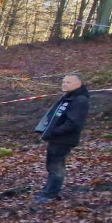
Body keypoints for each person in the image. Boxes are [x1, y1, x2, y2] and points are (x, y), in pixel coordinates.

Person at [33, 73, 89, 203]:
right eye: (64, 82)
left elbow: (73, 123)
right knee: (51, 165)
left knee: (56, 166)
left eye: (68, 82)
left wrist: (54, 132)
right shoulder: (67, 98)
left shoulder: (80, 100)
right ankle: (49, 191)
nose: (64, 84)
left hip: (64, 139)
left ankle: (50, 195)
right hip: (56, 138)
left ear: (78, 84)